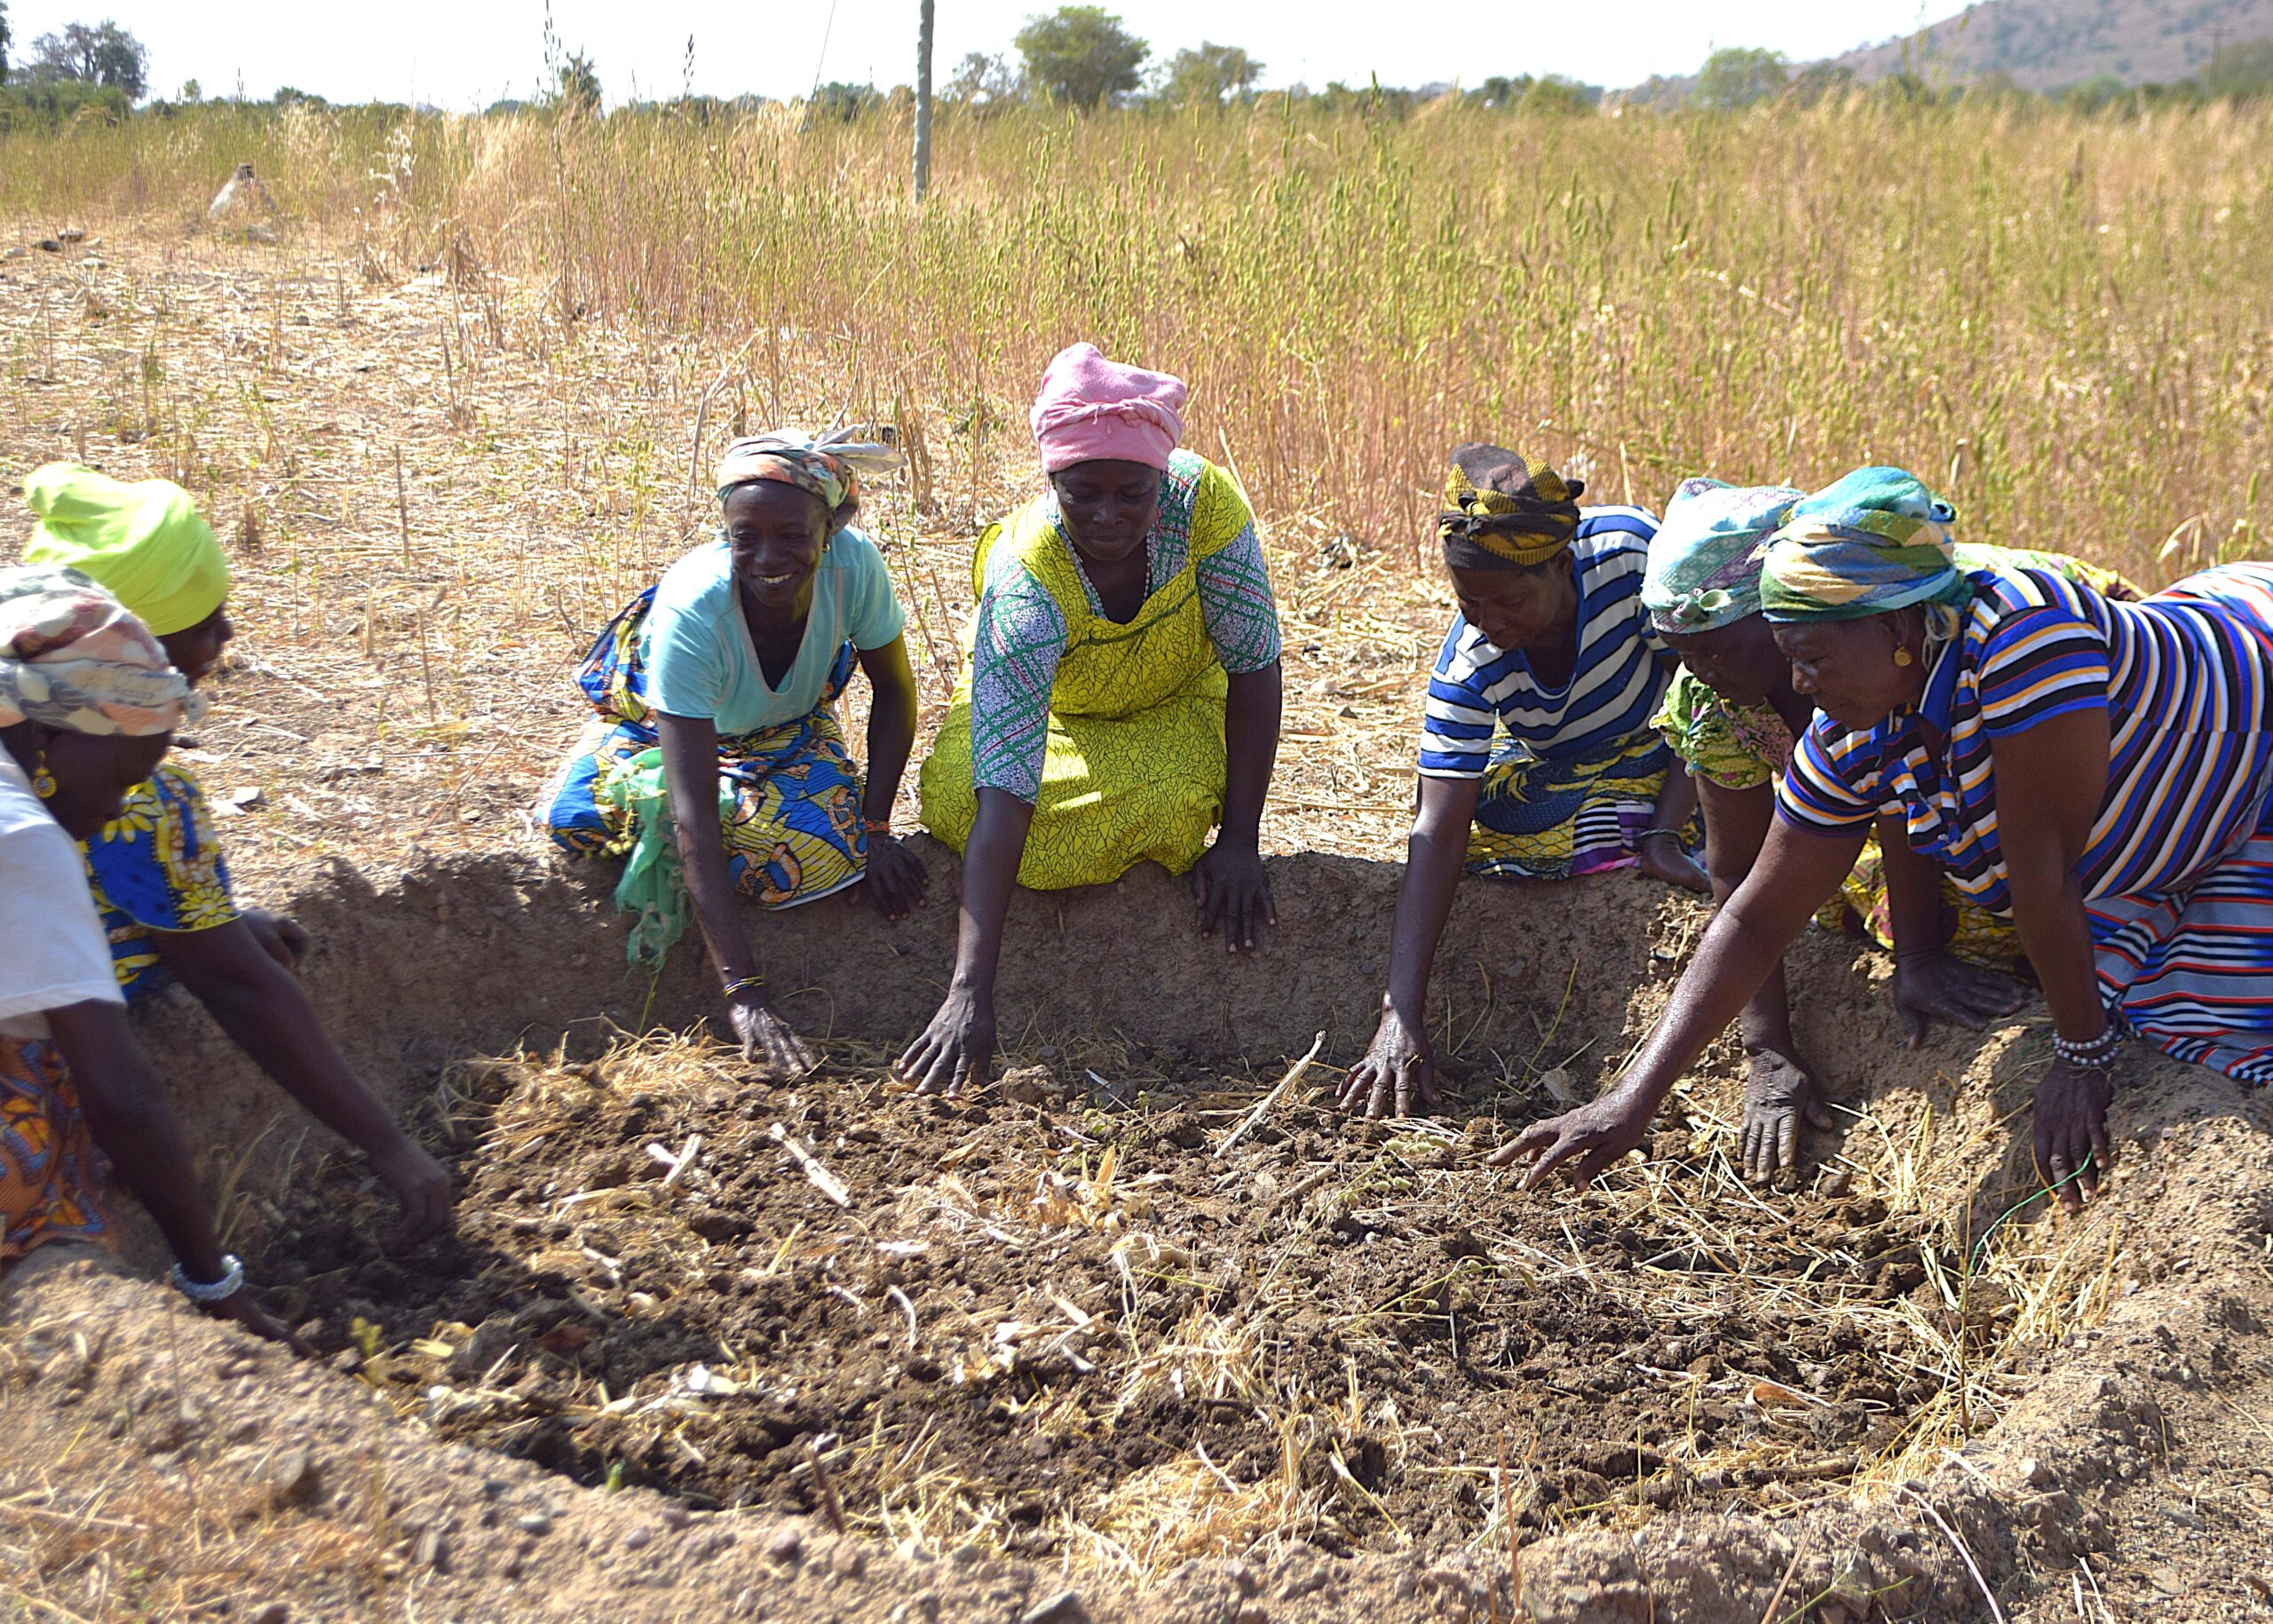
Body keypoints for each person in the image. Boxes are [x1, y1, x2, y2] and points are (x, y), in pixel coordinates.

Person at [1502, 465, 2273, 1215]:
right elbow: (1755, 913)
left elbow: (2045, 880)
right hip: (2150, 815)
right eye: (1791, 658)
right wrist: (1633, 1098)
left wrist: (2081, 1054)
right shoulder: (1852, 728)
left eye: (1813, 658)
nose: (1800, 687)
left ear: (1896, 626)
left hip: (2249, 704)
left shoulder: (2024, 641)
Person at [1640, 475, 2144, 1180]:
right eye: (1682, 653)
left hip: (2098, 740)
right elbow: (1744, 883)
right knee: (1842, 888)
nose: (1702, 670)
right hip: (1963, 780)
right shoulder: (1739, 698)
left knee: (2013, 911)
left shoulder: (1981, 627)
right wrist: (1760, 1049)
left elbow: (1946, 816)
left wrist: (1925, 957)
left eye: (1717, 649)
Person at [21, 464, 452, 1240]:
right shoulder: (145, 803)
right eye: (206, 619)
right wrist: (391, 1147)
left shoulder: (45, 739)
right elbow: (236, 986)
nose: (225, 637)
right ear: (134, 644)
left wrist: (207, 914)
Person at [902, 343, 1285, 1094]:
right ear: (1051, 481)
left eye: (1131, 493)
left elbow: (1254, 666)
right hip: (1053, 716)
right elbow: (1008, 780)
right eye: (1083, 493)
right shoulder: (1026, 580)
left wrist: (1242, 840)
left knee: (1176, 800)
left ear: (1162, 479)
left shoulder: (1206, 507)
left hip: (1175, 703)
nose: (1108, 515)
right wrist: (970, 989)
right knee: (960, 797)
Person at [543, 431, 927, 1074]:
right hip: (669, 724)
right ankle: (617, 754)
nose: (768, 556)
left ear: (828, 530)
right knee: (578, 821)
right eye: (745, 536)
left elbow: (895, 690)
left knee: (831, 857)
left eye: (793, 535)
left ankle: (747, 809)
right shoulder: (694, 611)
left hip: (787, 725)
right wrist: (743, 990)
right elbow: (693, 813)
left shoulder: (855, 568)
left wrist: (878, 825)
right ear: (726, 531)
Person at [1338, 445, 1701, 1120]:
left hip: (1672, 745)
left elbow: (1709, 685)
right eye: (1468, 602)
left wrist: (1664, 829)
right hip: (1568, 768)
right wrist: (1400, 1012)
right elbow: (1438, 829)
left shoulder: (1630, 555)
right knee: (1499, 817)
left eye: (1507, 600)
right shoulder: (1471, 657)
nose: (1488, 621)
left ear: (1562, 564)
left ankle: (1653, 825)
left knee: (1640, 804)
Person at [0, 563, 303, 1347]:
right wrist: (211, 1278)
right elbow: (122, 1094)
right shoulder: (26, 840)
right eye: (123, 777)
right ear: (44, 737)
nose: (112, 812)